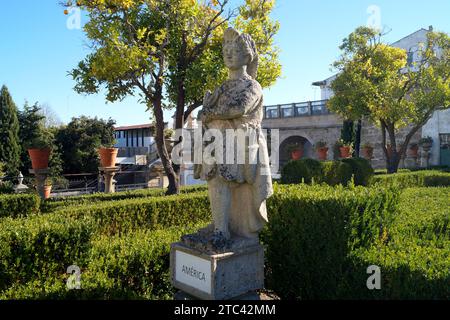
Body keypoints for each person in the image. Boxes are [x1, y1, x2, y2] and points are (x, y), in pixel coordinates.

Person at [194, 27, 273, 240]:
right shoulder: (221, 88)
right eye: (225, 49)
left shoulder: (252, 86)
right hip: (217, 140)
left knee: (223, 179)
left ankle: (224, 230)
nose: (228, 54)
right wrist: (209, 114)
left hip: (240, 144)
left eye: (234, 50)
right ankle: (220, 227)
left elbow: (238, 109)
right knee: (215, 181)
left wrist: (211, 113)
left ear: (247, 56)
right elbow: (205, 113)